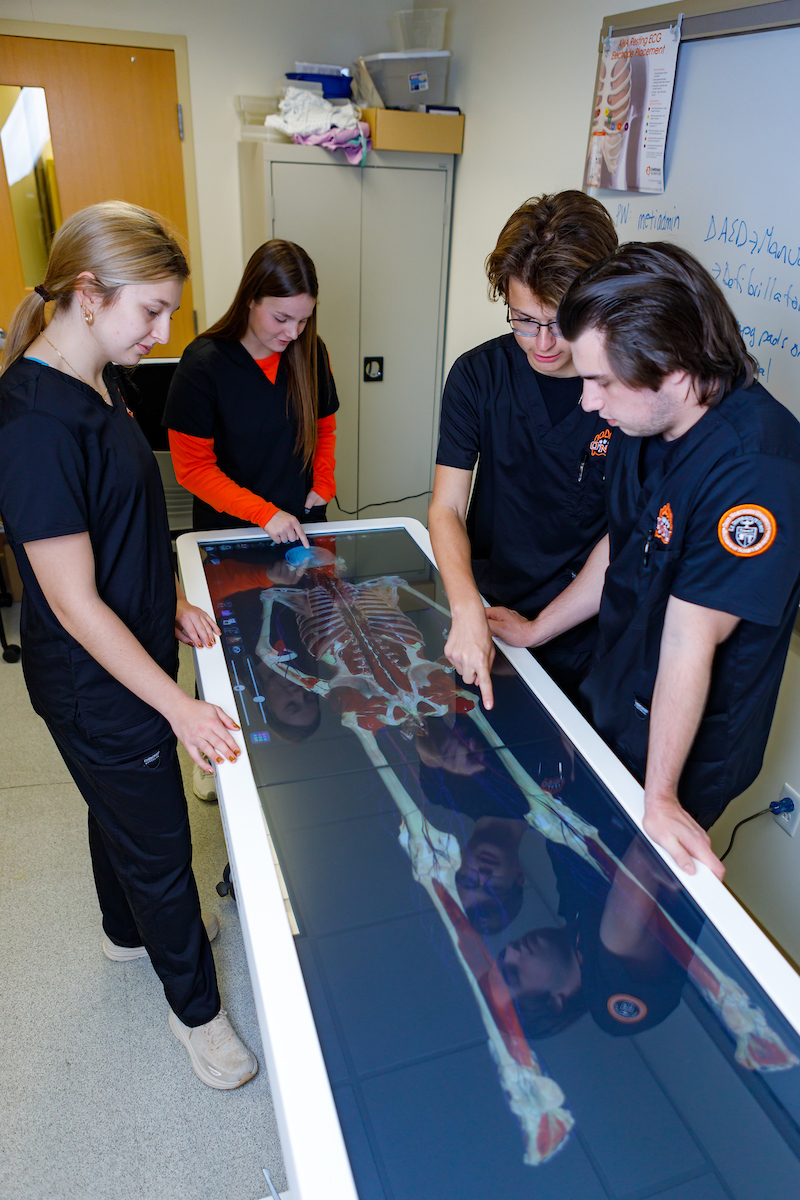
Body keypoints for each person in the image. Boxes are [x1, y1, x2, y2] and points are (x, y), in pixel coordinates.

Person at [0, 201, 257, 1090]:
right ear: (86, 293)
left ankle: (123, 933)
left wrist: (177, 598)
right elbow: (73, 604)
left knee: (118, 807)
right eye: (150, 310)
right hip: (94, 679)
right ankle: (199, 1015)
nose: (161, 331)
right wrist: (179, 705)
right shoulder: (33, 424)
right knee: (158, 842)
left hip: (136, 641)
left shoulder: (102, 375)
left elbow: (126, 521)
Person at [487, 242, 800, 880]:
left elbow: (690, 638)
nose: (587, 402)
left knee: (626, 928)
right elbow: (622, 546)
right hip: (616, 692)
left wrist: (660, 797)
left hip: (683, 747)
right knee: (579, 871)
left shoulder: (756, 469)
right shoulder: (648, 423)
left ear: (675, 371)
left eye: (602, 381)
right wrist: (536, 627)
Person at [428, 191, 618, 709]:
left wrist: (540, 628)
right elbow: (446, 508)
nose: (542, 343)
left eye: (559, 323)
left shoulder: (627, 394)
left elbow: (620, 541)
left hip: (580, 628)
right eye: (523, 320)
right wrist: (466, 607)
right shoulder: (479, 375)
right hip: (490, 602)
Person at [163, 238, 338, 798]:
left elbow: (326, 426)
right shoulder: (204, 363)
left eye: (303, 319)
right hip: (231, 535)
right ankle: (213, 746)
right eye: (281, 317)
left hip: (299, 526)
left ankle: (278, 739)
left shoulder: (309, 352)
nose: (292, 333)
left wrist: (322, 486)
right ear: (250, 300)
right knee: (229, 644)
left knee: (298, 632)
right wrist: (264, 514)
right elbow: (192, 469)